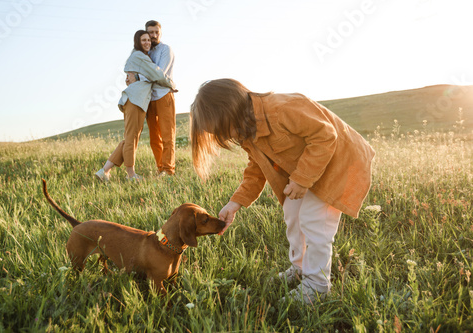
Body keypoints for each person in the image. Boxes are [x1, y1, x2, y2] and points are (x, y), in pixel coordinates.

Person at [190, 79, 375, 305]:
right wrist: (235, 203)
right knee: (293, 213)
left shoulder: (281, 109)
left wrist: (300, 179)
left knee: (313, 220)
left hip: (339, 162)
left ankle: (317, 285)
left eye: (223, 129)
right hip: (308, 170)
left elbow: (325, 136)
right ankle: (299, 268)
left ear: (231, 109)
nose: (228, 137)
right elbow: (256, 168)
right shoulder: (247, 129)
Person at [94, 30, 175, 182]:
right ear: (137, 42)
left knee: (129, 138)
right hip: (136, 100)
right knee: (131, 138)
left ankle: (104, 170)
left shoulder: (141, 56)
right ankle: (131, 175)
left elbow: (139, 74)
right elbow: (157, 74)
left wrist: (135, 77)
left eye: (148, 40)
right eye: (143, 40)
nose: (147, 42)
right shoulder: (139, 56)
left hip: (136, 100)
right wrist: (172, 84)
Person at [145, 20, 177, 176]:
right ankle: (160, 169)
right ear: (146, 33)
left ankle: (169, 170)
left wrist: (143, 74)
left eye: (157, 32)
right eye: (151, 32)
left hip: (164, 94)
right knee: (153, 137)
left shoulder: (166, 50)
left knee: (167, 135)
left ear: (160, 33)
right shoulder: (144, 51)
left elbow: (159, 74)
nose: (154, 35)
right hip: (148, 98)